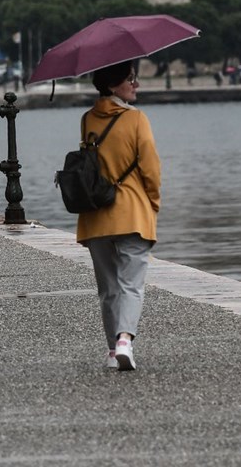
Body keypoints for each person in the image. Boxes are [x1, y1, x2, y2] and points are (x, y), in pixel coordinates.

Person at [76, 61, 161, 372]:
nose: (135, 84)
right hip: (131, 212)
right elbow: (150, 167)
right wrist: (153, 201)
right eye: (130, 79)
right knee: (131, 284)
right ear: (113, 85)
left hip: (96, 216)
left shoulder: (87, 120)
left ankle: (113, 350)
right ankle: (125, 338)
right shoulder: (136, 119)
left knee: (108, 287)